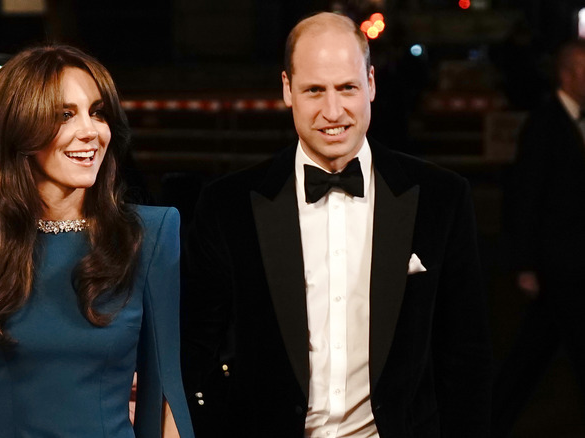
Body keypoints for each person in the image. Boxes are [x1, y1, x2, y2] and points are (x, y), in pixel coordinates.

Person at [181, 12, 491, 438]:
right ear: (288, 89)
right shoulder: (226, 207)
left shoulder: (442, 198)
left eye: (347, 87)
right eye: (314, 90)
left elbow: (466, 357)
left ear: (371, 84)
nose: (333, 111)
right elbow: (196, 345)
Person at [0, 45, 194, 438]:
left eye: (97, 112)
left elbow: (166, 394)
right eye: (65, 115)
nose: (91, 131)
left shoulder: (150, 233)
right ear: (21, 130)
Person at [493, 39, 585, 437]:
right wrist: (525, 263)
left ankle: (489, 421)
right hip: (558, 264)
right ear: (567, 76)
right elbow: (524, 196)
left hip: (571, 264)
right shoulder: (545, 124)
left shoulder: (578, 122)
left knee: (531, 354)